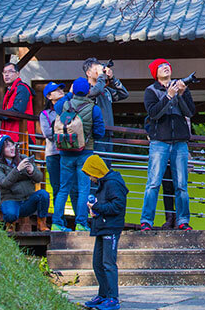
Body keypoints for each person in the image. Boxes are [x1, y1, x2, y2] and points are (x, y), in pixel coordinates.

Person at [140, 59, 195, 231]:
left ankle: (183, 220)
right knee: (153, 182)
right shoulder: (151, 91)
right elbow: (154, 113)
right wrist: (169, 96)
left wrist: (181, 95)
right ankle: (146, 221)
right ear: (155, 73)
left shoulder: (181, 88)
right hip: (159, 142)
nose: (166, 67)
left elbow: (189, 112)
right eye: (161, 66)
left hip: (180, 142)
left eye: (168, 65)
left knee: (181, 185)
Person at [51, 77, 106, 232]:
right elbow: (100, 132)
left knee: (64, 188)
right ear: (89, 91)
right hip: (85, 152)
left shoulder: (63, 104)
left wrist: (69, 94)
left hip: (65, 151)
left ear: (73, 90)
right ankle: (81, 223)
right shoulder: (94, 108)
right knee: (84, 188)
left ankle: (56, 223)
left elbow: (56, 110)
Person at [82, 154, 128, 310]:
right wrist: (95, 210)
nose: (90, 178)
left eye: (90, 174)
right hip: (102, 227)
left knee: (108, 263)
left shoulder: (113, 183)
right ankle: (103, 295)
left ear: (96, 171)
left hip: (111, 228)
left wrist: (97, 208)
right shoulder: (103, 183)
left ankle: (113, 298)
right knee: (97, 263)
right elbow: (105, 205)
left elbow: (117, 206)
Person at [0, 133, 49, 230]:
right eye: (7, 147)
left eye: (12, 145)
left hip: (27, 200)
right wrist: (17, 170)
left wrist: (32, 171)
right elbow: (4, 183)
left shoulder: (23, 158)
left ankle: (42, 223)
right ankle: (10, 225)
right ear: (1, 151)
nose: (12, 148)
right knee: (11, 215)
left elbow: (39, 178)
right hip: (10, 200)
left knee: (43, 195)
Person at [39, 82, 78, 216]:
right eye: (56, 90)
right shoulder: (45, 114)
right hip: (53, 154)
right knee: (57, 188)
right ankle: (58, 220)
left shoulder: (70, 108)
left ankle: (79, 219)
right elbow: (48, 134)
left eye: (61, 89)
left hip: (69, 152)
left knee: (74, 187)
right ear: (49, 96)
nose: (61, 91)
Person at [84, 58, 128, 156]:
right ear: (88, 73)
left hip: (108, 132)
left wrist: (112, 79)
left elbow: (124, 94)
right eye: (96, 69)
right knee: (98, 165)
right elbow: (96, 90)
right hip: (95, 134)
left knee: (107, 165)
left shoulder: (106, 90)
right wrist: (101, 76)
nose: (99, 71)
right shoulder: (87, 89)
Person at [0, 63, 36, 143]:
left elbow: (18, 111)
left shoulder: (22, 89)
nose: (6, 75)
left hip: (20, 134)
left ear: (18, 73)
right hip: (12, 132)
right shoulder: (11, 90)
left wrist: (0, 114)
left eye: (10, 72)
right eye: (4, 72)